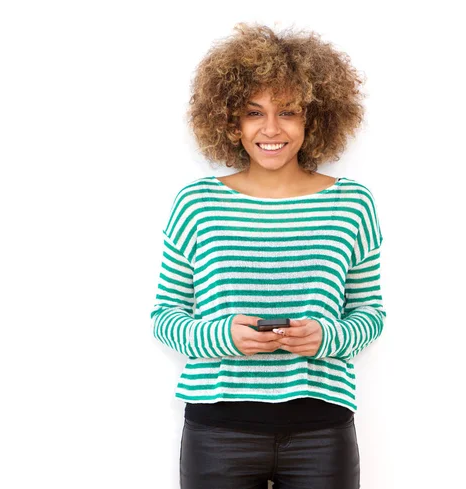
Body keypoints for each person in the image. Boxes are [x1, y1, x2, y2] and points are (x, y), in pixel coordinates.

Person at [149, 22, 385, 489]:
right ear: (231, 122)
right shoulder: (196, 203)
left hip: (322, 429)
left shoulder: (352, 203)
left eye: (288, 112)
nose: (271, 129)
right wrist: (222, 337)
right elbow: (164, 316)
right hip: (219, 432)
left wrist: (326, 336)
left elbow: (370, 314)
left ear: (312, 118)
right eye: (254, 112)